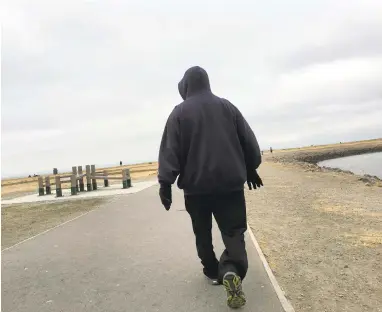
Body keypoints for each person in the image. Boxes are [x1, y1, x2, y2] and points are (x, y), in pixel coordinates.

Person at [158, 66, 263, 309]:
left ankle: (213, 270)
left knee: (202, 232)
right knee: (234, 232)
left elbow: (170, 149)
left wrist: (165, 182)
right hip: (229, 187)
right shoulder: (228, 107)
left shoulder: (179, 114)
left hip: (196, 190)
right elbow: (248, 142)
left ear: (186, 86)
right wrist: (250, 168)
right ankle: (231, 269)